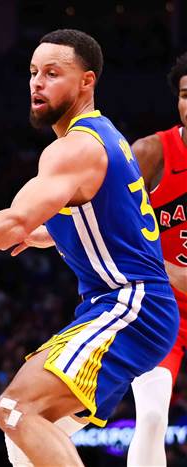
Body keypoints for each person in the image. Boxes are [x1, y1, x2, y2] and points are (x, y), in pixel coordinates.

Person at [0, 29, 179, 466]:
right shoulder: (105, 136)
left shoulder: (77, 147)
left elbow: (15, 220)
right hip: (130, 306)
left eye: (52, 73)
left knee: (15, 409)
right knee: (25, 438)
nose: (37, 83)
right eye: (32, 73)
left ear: (86, 81)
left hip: (131, 304)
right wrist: (48, 234)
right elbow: (111, 219)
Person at [127, 52, 187, 467]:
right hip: (162, 308)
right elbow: (111, 223)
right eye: (185, 94)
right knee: (150, 416)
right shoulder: (152, 152)